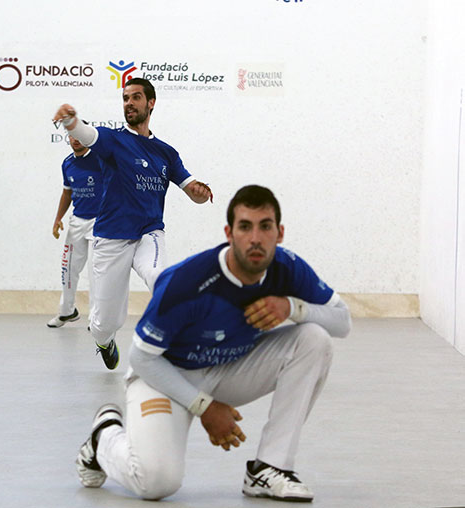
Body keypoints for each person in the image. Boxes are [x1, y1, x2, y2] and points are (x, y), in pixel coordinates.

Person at [74, 185, 352, 502]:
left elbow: (342, 322)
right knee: (156, 482)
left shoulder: (288, 269)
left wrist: (293, 308)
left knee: (314, 339)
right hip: (165, 378)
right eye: (245, 227)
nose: (256, 239)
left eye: (266, 226)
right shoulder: (187, 281)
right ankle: (105, 436)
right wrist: (203, 406)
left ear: (280, 233)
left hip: (230, 369)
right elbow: (141, 357)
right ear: (229, 233)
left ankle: (270, 468)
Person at [52, 78, 213, 369]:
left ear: (150, 103)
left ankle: (180, 340)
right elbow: (88, 135)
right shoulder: (114, 141)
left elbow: (192, 190)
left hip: (148, 233)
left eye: (136, 97)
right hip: (111, 238)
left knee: (159, 276)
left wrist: (199, 193)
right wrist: (71, 121)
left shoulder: (167, 152)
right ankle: (104, 340)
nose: (129, 103)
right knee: (105, 322)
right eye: (125, 98)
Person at [47, 135, 103, 328]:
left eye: (79, 135)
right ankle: (67, 311)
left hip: (100, 223)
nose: (76, 139)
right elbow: (67, 192)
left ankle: (96, 319)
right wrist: (57, 218)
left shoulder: (100, 158)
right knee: (68, 269)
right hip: (77, 222)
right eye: (72, 136)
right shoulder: (67, 163)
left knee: (95, 272)